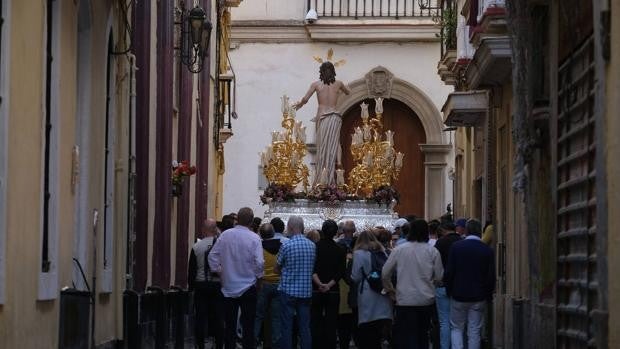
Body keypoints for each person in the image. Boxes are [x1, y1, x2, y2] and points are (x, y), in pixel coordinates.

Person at [208, 207, 264, 349]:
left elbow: (212, 256)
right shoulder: (254, 238)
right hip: (248, 286)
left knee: (230, 325)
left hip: (228, 286)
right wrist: (259, 278)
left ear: (237, 219)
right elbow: (259, 262)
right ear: (251, 222)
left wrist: (219, 271)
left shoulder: (226, 235)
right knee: (248, 326)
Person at [382, 220, 443, 349]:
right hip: (425, 300)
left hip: (405, 300)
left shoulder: (399, 250)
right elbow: (439, 277)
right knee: (422, 334)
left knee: (406, 335)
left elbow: (385, 273)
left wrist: (390, 290)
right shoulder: (432, 251)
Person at [294, 61, 351, 186]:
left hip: (322, 116)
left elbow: (305, 99)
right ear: (333, 72)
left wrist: (299, 104)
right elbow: (348, 92)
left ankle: (321, 175)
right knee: (335, 142)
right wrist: (342, 87)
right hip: (334, 116)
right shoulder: (338, 84)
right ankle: (338, 163)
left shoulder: (316, 85)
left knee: (322, 144)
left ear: (321, 72)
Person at [443, 219, 495, 349]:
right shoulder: (486, 250)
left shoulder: (456, 247)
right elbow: (490, 276)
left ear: (466, 230)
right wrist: (488, 295)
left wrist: (449, 291)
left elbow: (449, 272)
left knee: (456, 328)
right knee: (474, 330)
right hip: (479, 296)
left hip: (458, 295)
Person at [276, 215, 316, 349]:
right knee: (305, 326)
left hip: (288, 291)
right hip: (305, 291)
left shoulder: (286, 245)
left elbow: (277, 269)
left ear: (291, 228)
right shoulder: (312, 246)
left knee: (286, 326)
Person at [350, 231, 393, 349]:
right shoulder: (383, 251)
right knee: (379, 328)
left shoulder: (359, 253)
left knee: (367, 329)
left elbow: (356, 276)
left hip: (367, 292)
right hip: (382, 291)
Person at [188, 218, 224, 349]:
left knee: (200, 316)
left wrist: (191, 287)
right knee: (218, 315)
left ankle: (200, 344)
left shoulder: (196, 246)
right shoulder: (221, 245)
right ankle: (219, 343)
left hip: (201, 284)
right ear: (215, 229)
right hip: (217, 284)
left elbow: (192, 270)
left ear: (203, 229)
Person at [311, 220, 346, 349]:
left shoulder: (314, 247)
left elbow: (312, 268)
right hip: (333, 290)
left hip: (316, 289)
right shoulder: (340, 249)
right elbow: (340, 272)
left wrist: (320, 284)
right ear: (336, 232)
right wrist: (329, 285)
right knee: (331, 322)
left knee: (315, 320)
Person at [255, 223, 283, 349]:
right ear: (273, 233)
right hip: (278, 284)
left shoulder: (259, 247)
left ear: (261, 234)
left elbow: (257, 265)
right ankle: (276, 343)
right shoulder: (282, 246)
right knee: (276, 318)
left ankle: (253, 341)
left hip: (263, 283)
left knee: (258, 315)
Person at [433, 221, 461, 349]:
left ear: (443, 230)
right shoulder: (462, 241)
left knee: (444, 321)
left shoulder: (440, 243)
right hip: (457, 286)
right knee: (458, 323)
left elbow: (435, 264)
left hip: (442, 284)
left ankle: (445, 347)